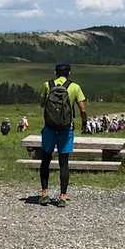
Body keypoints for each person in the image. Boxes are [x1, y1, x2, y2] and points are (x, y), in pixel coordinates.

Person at [39, 62, 87, 206]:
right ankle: (63, 196)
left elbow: (42, 104)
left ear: (55, 73)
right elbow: (83, 110)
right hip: (66, 128)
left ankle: (44, 193)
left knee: (45, 159)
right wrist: (84, 123)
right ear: (69, 73)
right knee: (64, 162)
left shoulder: (47, 85)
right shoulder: (75, 87)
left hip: (49, 127)